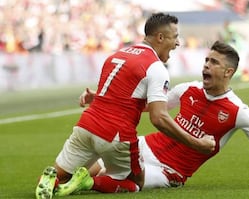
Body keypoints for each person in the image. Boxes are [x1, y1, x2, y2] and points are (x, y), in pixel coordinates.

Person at [54, 41, 249, 197]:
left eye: (214, 63)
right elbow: (151, 108)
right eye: (206, 60)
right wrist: (99, 99)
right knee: (98, 165)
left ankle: (83, 184)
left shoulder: (239, 112)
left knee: (124, 183)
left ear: (228, 72)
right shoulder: (186, 89)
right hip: (147, 146)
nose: (206, 66)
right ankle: (68, 185)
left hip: (168, 172)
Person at [35, 12, 216, 199]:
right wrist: (197, 143)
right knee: (136, 183)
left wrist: (96, 96)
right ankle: (88, 182)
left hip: (86, 126)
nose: (178, 43)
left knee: (61, 175)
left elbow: (122, 96)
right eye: (175, 37)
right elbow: (159, 117)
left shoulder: (118, 54)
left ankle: (50, 180)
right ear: (160, 37)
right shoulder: (156, 68)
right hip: (116, 135)